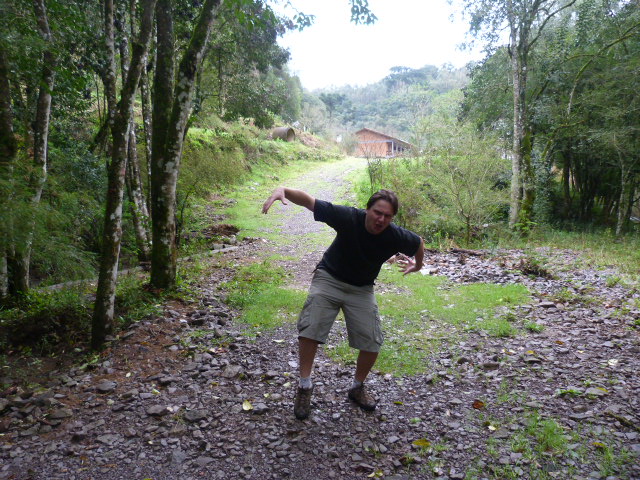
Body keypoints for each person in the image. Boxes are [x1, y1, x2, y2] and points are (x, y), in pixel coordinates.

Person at [262, 187, 424, 420]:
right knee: (311, 329)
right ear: (367, 209)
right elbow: (309, 201)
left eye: (387, 216)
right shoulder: (348, 217)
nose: (381, 219)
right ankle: (304, 386)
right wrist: (283, 190)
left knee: (372, 340)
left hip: (362, 288)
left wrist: (418, 266)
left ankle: (357, 387)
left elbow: (418, 242)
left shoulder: (395, 235)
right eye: (377, 212)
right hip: (329, 277)